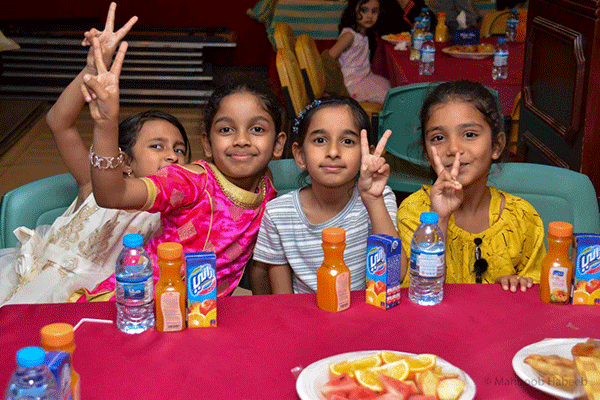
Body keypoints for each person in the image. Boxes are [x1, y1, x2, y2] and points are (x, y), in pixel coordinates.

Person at [0, 3, 192, 306]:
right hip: (32, 286)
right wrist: (92, 69)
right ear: (124, 162)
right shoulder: (95, 185)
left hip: (96, 301)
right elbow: (59, 122)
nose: (172, 156)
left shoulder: (168, 213)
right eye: (157, 146)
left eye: (179, 149)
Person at [80, 38, 287, 298]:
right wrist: (106, 124)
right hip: (136, 304)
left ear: (278, 144)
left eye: (257, 129)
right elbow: (112, 194)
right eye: (226, 129)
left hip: (202, 312)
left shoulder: (266, 189)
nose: (241, 140)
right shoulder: (190, 182)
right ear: (207, 143)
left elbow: (261, 265)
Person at [396, 80, 546, 292]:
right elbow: (417, 292)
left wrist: (518, 286)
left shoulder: (522, 218)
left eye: (469, 135)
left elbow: (539, 292)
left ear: (497, 145)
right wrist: (440, 219)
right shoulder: (414, 212)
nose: (453, 148)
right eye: (438, 138)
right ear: (427, 154)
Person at [252, 97, 401, 294]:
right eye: (320, 140)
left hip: (365, 311)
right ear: (300, 155)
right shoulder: (278, 214)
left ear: (367, 155)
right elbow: (283, 299)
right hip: (302, 313)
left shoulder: (379, 197)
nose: (333, 152)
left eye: (347, 141)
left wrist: (373, 200)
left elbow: (394, 275)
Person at [329, 0, 391, 104]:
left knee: (390, 90)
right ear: (353, 10)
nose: (369, 16)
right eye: (364, 10)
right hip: (351, 82)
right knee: (387, 96)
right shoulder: (349, 36)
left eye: (374, 11)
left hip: (364, 76)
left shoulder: (365, 34)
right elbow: (328, 58)